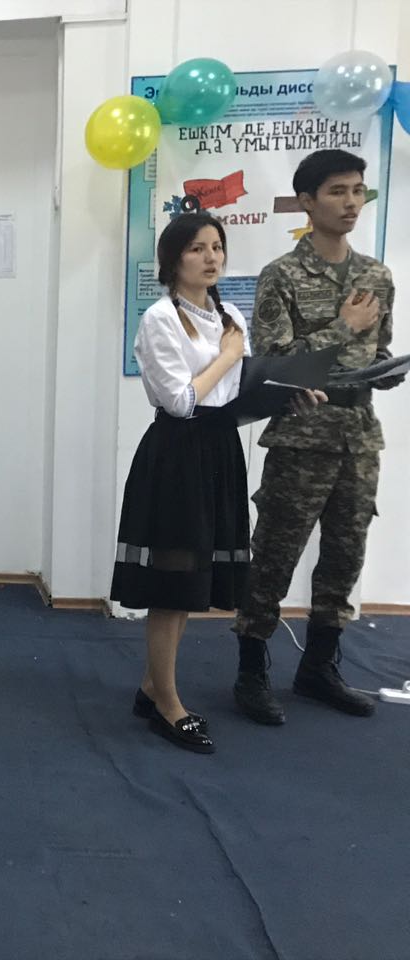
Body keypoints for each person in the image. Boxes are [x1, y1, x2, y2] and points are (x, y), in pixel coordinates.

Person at [232, 149, 401, 725]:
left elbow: (376, 349)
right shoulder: (281, 274)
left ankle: (319, 668)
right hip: (301, 437)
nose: (351, 202)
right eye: (336, 191)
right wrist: (342, 327)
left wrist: (387, 368)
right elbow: (275, 365)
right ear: (307, 201)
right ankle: (251, 672)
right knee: (274, 556)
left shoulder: (377, 276)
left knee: (345, 558)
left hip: (359, 436)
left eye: (357, 190)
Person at [111, 213, 254, 755]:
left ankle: (154, 687)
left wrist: (289, 393)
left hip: (219, 450)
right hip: (177, 453)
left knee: (194, 581)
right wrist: (228, 355)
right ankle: (168, 704)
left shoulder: (230, 315)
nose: (211, 257)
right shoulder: (159, 318)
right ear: (173, 260)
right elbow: (179, 400)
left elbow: (237, 390)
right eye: (197, 248)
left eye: (217, 246)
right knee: (171, 585)